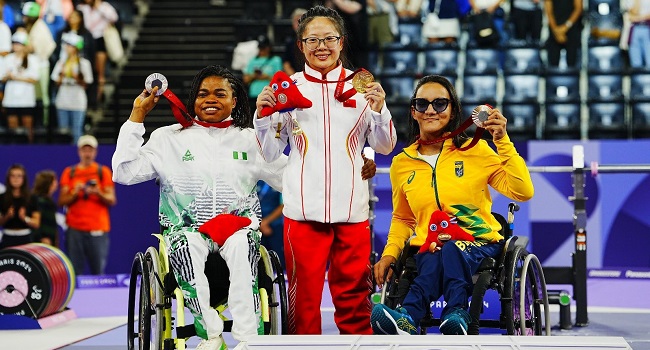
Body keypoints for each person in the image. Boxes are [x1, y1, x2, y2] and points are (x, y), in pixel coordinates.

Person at [254, 5, 397, 335]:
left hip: (352, 210)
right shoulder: (287, 88)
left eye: (329, 38)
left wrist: (378, 109)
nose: (322, 46)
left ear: (342, 42)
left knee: (355, 298)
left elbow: (386, 144)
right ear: (301, 44)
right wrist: (262, 117)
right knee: (303, 301)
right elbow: (269, 151)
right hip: (303, 211)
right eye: (313, 39)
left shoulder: (363, 85)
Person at [370, 75, 534, 335]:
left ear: (454, 110)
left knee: (452, 249)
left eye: (440, 103)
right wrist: (390, 253)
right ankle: (407, 319)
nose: (431, 110)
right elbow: (403, 219)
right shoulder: (402, 163)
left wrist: (502, 140)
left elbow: (522, 191)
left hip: (479, 242)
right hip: (430, 246)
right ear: (413, 112)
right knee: (434, 255)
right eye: (422, 104)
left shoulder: (476, 150)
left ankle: (457, 312)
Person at [58, 134, 116, 275]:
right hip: (74, 228)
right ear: (79, 152)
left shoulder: (103, 172)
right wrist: (75, 192)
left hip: (97, 228)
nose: (87, 154)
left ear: (95, 152)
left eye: (90, 150)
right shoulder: (69, 172)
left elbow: (111, 199)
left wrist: (98, 192)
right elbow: (61, 201)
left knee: (98, 271)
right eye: (84, 150)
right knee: (74, 272)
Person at [51, 32, 94, 144]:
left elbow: (88, 81)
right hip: (63, 99)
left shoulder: (84, 63)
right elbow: (55, 79)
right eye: (66, 45)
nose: (67, 48)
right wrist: (62, 75)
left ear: (76, 47)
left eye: (70, 45)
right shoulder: (61, 62)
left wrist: (78, 78)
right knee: (63, 131)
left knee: (77, 131)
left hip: (78, 100)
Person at [76, 0, 118, 106]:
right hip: (86, 40)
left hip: (99, 39)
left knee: (99, 72)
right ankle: (88, 98)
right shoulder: (82, 8)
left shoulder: (103, 6)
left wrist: (98, 6)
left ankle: (99, 97)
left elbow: (114, 17)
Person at [1, 31, 40, 143]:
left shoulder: (32, 59)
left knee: (27, 127)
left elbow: (34, 78)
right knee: (12, 127)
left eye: (19, 43)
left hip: (26, 99)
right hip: (11, 99)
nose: (16, 45)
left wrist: (15, 77)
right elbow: (2, 77)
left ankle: (29, 149)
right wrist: (8, 76)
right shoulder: (7, 58)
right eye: (14, 43)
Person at [0, 164, 40, 249]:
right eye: (13, 176)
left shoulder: (32, 198)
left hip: (25, 237)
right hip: (8, 237)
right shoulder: (2, 197)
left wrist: (24, 218)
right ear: (8, 178)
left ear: (24, 179)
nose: (16, 179)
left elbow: (36, 223)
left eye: (19, 176)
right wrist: (7, 216)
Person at [243, 35, 283, 108]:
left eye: (264, 48)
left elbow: (280, 79)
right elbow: (246, 79)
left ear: (269, 48)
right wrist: (254, 76)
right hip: (254, 94)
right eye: (260, 48)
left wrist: (266, 76)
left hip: (270, 95)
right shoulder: (253, 60)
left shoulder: (275, 60)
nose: (262, 50)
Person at [544, 0, 583, 68]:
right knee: (553, 65)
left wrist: (566, 27)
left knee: (572, 65)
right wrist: (556, 31)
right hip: (554, 32)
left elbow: (578, 8)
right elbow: (548, 11)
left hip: (572, 31)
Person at [257, 180, 285, 270]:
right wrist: (259, 223)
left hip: (275, 227)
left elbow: (284, 205)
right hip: (256, 226)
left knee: (279, 263)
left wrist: (265, 222)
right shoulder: (253, 179)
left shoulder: (280, 181)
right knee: (258, 263)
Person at [32, 169, 59, 246]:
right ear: (49, 184)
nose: (57, 183)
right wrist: (42, 237)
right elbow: (38, 222)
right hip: (42, 241)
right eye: (54, 181)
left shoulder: (49, 201)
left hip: (50, 239)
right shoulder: (39, 201)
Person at [282, 8, 307, 76]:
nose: (299, 24)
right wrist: (295, 79)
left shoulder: (315, 40)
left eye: (301, 20)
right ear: (293, 24)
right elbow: (286, 64)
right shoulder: (290, 43)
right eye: (296, 21)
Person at [628, 0, 650, 69]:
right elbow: (632, 15)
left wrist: (637, 18)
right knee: (636, 63)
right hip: (635, 29)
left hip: (648, 28)